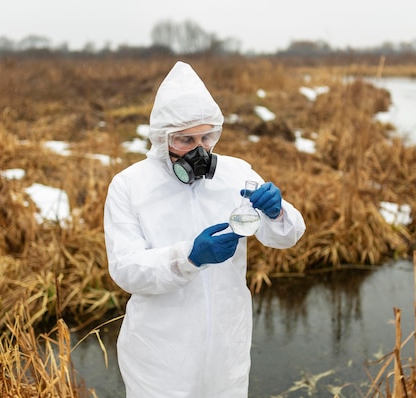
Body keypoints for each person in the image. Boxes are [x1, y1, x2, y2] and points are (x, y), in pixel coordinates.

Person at [103, 61, 306, 397]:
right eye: (185, 139)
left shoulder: (234, 172)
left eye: (207, 136)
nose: (200, 150)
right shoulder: (130, 186)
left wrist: (277, 212)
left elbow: (286, 237)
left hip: (227, 347)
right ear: (161, 137)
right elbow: (125, 269)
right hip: (160, 353)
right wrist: (188, 258)